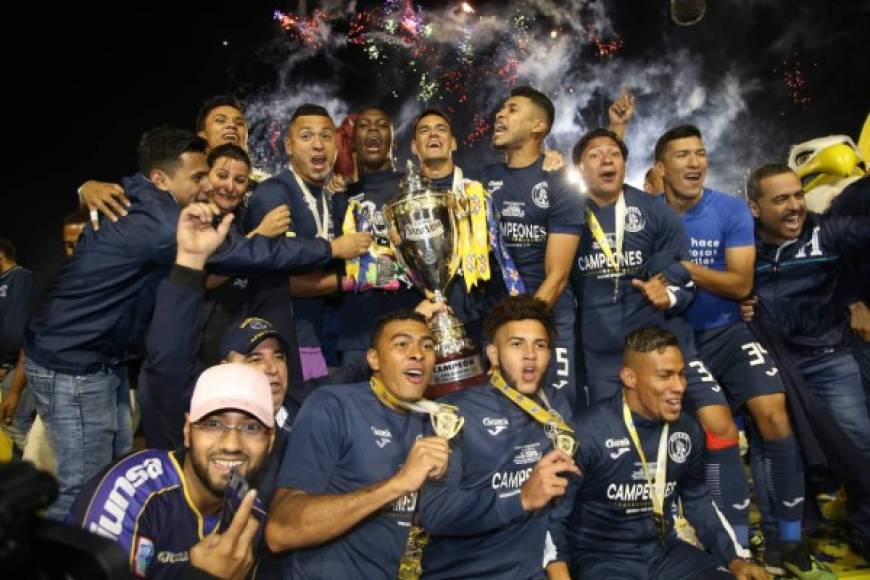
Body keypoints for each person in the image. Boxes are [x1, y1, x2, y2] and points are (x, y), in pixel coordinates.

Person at [25, 126, 368, 520]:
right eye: (198, 176)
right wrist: (330, 248)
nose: (207, 183)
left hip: (99, 360)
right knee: (84, 487)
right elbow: (245, 251)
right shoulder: (161, 221)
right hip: (74, 362)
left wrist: (86, 185)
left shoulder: (135, 195)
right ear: (161, 179)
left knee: (113, 474)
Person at [656, 125, 825, 577]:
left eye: (700, 153)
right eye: (682, 155)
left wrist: (686, 269)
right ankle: (734, 548)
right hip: (677, 341)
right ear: (661, 168)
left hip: (728, 333)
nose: (694, 163)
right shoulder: (648, 214)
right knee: (720, 432)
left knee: (774, 413)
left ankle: (787, 539)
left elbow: (741, 284)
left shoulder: (728, 210)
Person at [571, 127, 753, 541]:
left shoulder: (654, 213)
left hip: (664, 348)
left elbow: (685, 279)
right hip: (601, 357)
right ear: (580, 167)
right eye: (595, 154)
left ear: (625, 163)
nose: (606, 160)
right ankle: (614, 535)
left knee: (720, 424)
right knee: (613, 445)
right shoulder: (570, 214)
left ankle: (737, 542)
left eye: (614, 153)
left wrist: (667, 295)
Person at [551, 326, 766, 580]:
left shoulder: (686, 430)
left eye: (681, 375)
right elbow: (554, 519)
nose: (679, 387)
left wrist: (734, 559)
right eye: (665, 376)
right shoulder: (587, 433)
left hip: (665, 552)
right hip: (603, 559)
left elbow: (698, 500)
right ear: (630, 378)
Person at [265, 310, 450, 578]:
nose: (418, 354)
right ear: (373, 358)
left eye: (427, 346)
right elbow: (280, 531)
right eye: (401, 344)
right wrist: (399, 483)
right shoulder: (332, 406)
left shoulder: (438, 420)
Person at [746, 163, 870, 557]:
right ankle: (783, 538)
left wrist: (856, 299)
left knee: (859, 446)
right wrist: (739, 302)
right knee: (775, 450)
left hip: (829, 359)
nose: (795, 206)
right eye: (781, 199)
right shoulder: (740, 247)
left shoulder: (829, 234)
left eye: (798, 195)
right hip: (774, 365)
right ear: (754, 208)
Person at [417, 295, 580, 579]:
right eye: (517, 344)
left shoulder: (556, 408)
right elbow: (434, 512)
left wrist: (558, 569)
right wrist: (520, 499)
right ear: (493, 355)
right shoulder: (456, 413)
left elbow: (556, 513)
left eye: (540, 345)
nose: (530, 354)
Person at [68, 363, 272, 579]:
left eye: (251, 428)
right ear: (187, 430)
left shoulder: (251, 516)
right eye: (213, 424)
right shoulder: (129, 495)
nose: (232, 445)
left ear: (271, 441)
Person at [481, 86, 585, 409]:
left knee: (557, 410)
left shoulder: (559, 181)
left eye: (512, 109)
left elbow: (558, 276)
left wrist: (521, 326)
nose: (500, 114)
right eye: (500, 108)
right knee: (503, 411)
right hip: (496, 316)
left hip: (550, 317)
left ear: (538, 127)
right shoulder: (479, 182)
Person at [243, 104, 353, 380]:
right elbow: (272, 275)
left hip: (323, 333)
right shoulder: (273, 193)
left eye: (326, 136)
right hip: (286, 339)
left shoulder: (330, 196)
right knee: (299, 410)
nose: (318, 145)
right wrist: (343, 277)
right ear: (289, 146)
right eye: (307, 136)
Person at [77, 95, 250, 230]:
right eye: (220, 120)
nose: (232, 126)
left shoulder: (258, 181)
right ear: (202, 135)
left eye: (239, 123)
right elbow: (133, 192)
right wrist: (85, 189)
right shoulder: (178, 171)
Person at [0, 239, 34, 452]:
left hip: (21, 362)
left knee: (13, 424)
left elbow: (15, 329)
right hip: (10, 363)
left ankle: (46, 476)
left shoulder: (20, 278)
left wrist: (3, 362)